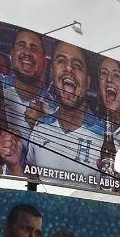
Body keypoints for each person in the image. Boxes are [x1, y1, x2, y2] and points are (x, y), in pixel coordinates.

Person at [25, 42, 105, 181]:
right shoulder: (40, 128)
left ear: (87, 81)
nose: (68, 68)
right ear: (52, 71)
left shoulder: (105, 139)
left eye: (77, 65)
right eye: (61, 61)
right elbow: (32, 179)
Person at [1, 30, 54, 149]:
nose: (27, 52)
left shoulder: (55, 110)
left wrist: (42, 126)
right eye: (21, 45)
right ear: (11, 55)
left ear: (45, 63)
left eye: (34, 49)